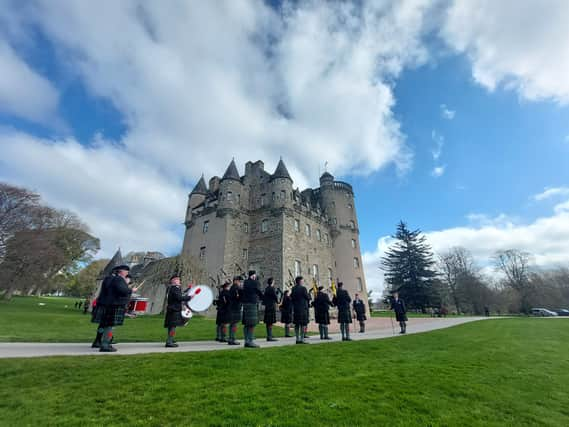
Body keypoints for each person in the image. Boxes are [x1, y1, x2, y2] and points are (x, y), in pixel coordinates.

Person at [97, 265, 137, 352]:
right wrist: (131, 290)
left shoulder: (114, 279)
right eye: (126, 271)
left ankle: (103, 342)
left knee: (107, 325)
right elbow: (122, 290)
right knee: (110, 326)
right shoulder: (119, 279)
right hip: (114, 305)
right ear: (121, 271)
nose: (127, 273)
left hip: (111, 304)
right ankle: (105, 344)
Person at [91, 266, 118, 348]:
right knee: (110, 326)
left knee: (102, 325)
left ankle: (97, 340)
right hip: (107, 305)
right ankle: (106, 340)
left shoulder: (107, 279)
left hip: (103, 303)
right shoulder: (111, 280)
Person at [164, 274, 193, 348]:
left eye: (179, 279)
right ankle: (169, 342)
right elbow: (179, 297)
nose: (179, 280)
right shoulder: (174, 289)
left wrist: (188, 289)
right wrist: (190, 297)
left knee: (171, 326)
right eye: (177, 279)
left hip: (172, 309)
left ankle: (170, 339)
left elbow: (180, 294)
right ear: (173, 281)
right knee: (173, 326)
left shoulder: (174, 288)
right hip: (174, 310)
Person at [241, 270, 264, 348]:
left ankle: (246, 341)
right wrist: (263, 298)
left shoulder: (245, 282)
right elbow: (259, 292)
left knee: (246, 324)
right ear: (254, 275)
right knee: (252, 324)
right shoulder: (255, 282)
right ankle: (250, 341)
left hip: (245, 304)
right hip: (252, 303)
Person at [291, 276, 310, 344]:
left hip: (296, 308)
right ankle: (302, 339)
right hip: (302, 308)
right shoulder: (303, 288)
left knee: (297, 324)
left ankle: (297, 338)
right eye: (302, 280)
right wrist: (309, 295)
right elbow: (307, 297)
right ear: (300, 281)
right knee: (303, 324)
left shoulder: (293, 288)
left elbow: (292, 297)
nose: (303, 281)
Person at [227, 276, 242, 345]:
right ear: (235, 281)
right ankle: (232, 338)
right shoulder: (236, 288)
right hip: (235, 308)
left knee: (232, 324)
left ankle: (231, 338)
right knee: (234, 324)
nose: (240, 282)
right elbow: (238, 297)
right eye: (239, 281)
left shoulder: (232, 288)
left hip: (232, 307)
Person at [262, 277, 279, 342]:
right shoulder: (272, 288)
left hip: (267, 306)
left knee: (268, 322)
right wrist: (278, 301)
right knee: (270, 322)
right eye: (273, 281)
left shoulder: (267, 288)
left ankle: (269, 335)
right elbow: (275, 297)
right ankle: (269, 336)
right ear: (272, 282)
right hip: (271, 306)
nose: (274, 283)